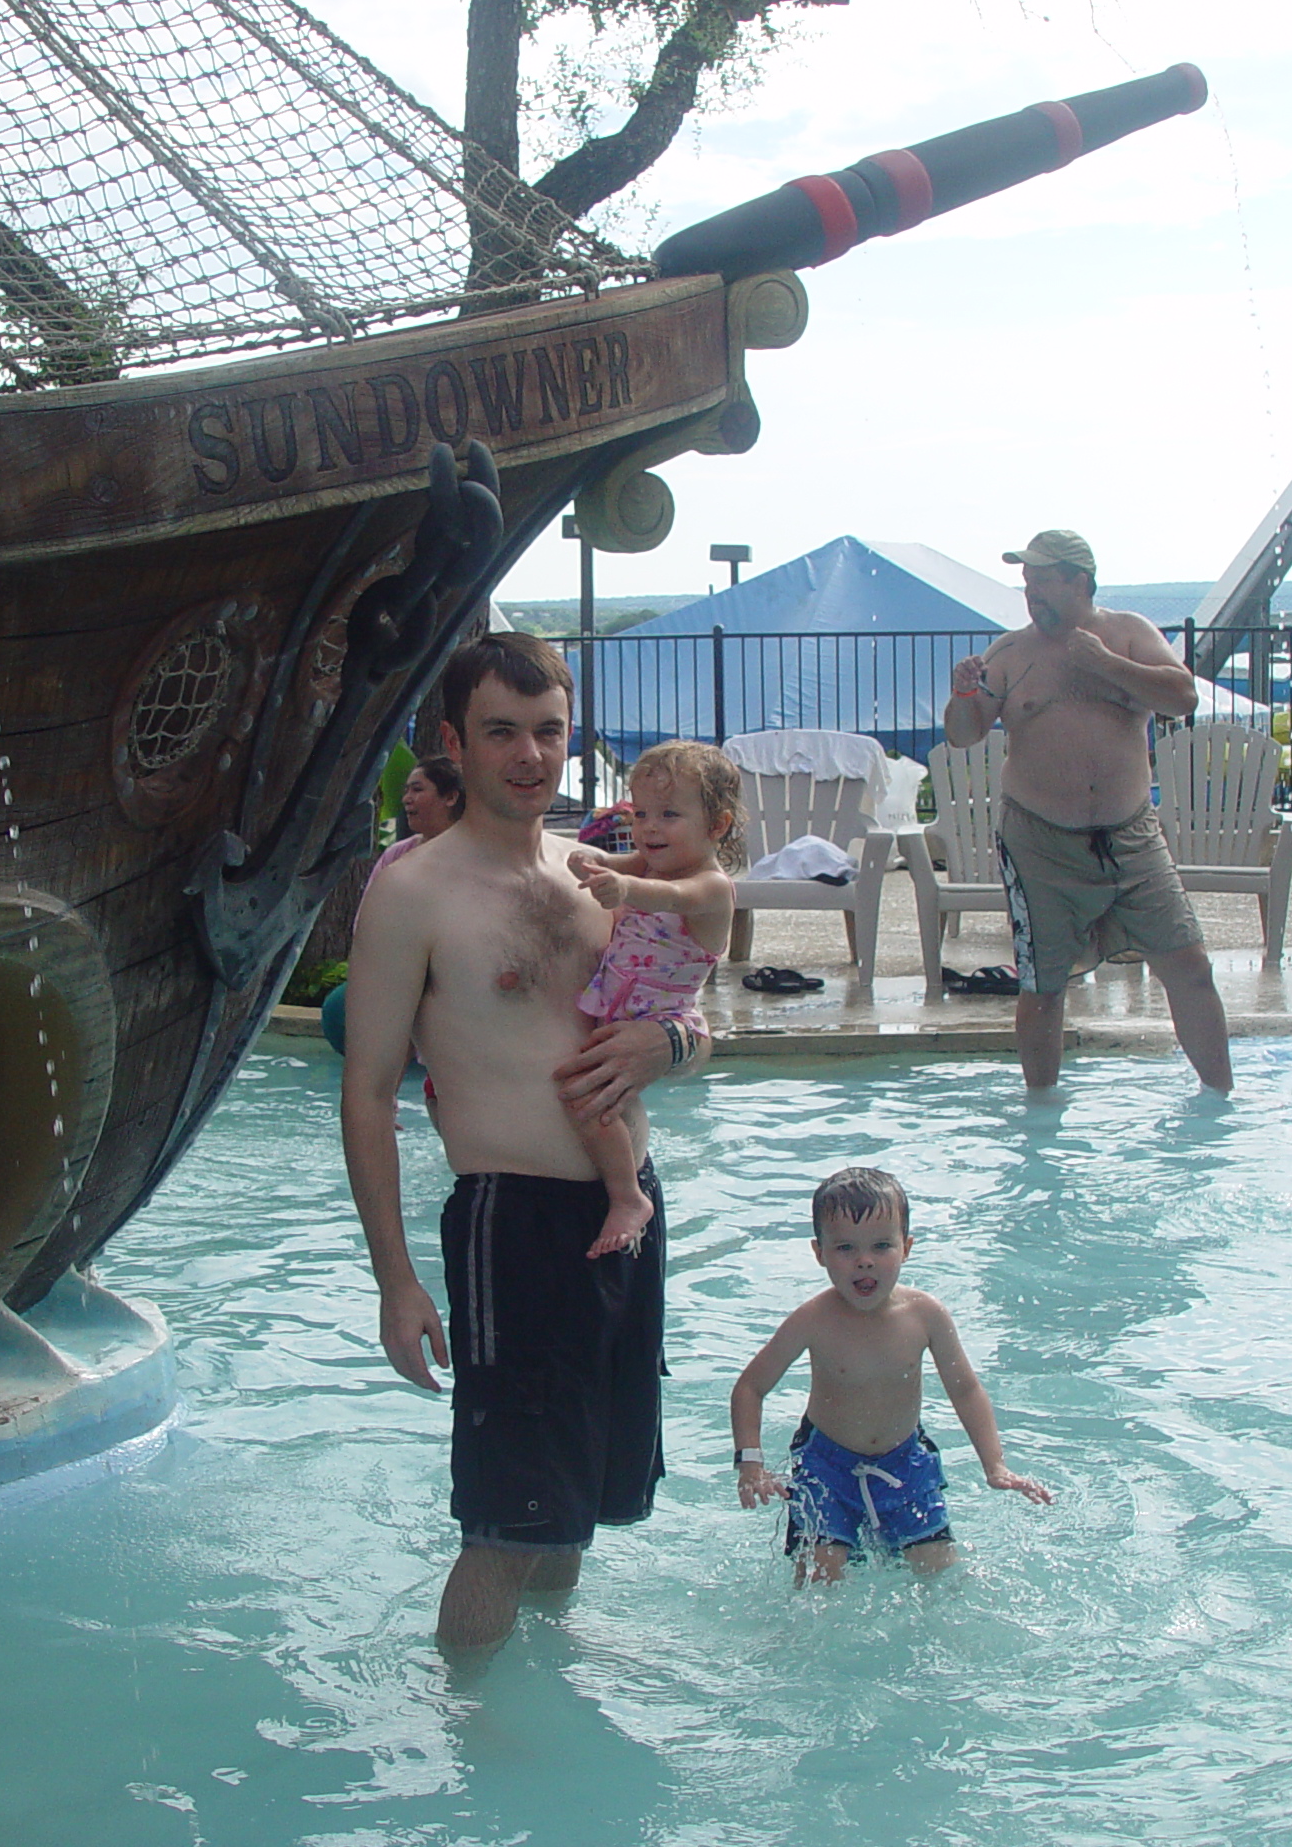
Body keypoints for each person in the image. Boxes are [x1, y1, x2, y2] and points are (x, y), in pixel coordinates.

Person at [340, 632, 703, 1653]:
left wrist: (669, 1044)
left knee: (578, 1505)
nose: (531, 757)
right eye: (503, 733)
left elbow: (691, 1020)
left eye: (549, 732)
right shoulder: (412, 893)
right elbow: (367, 1094)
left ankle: (544, 1723)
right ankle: (473, 1752)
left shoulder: (597, 873)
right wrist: (395, 1282)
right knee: (505, 1527)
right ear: (454, 743)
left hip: (625, 1212)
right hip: (515, 1227)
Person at [946, 528, 1232, 1096]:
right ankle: (1040, 1118)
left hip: (1130, 836)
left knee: (1190, 965)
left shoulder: (1127, 634)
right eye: (1027, 582)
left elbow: (1183, 697)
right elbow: (963, 737)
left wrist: (1105, 665)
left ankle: (1221, 1102)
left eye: (1044, 580)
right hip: (1039, 841)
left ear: (1080, 581)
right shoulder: (1010, 653)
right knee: (1043, 985)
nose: (1032, 593)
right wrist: (964, 696)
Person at [731, 1167, 1052, 1583]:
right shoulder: (813, 1320)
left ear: (907, 1247)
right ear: (819, 1252)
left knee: (940, 1574)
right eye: (846, 1247)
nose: (865, 1260)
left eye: (882, 1245)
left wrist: (995, 1466)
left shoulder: (925, 1316)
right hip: (826, 1466)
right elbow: (750, 1387)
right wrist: (750, 1464)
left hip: (905, 1463)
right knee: (819, 1578)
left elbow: (965, 1389)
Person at [563, 740, 739, 1259]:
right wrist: (587, 861)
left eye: (669, 814)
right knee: (587, 1093)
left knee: (587, 1096)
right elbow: (612, 862)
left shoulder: (709, 886)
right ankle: (622, 1190)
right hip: (622, 1007)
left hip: (663, 1016)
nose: (649, 827)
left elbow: (672, 899)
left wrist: (623, 886)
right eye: (640, 813)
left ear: (717, 826)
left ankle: (627, 1197)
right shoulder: (646, 865)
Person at [367, 756, 463, 890]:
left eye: (417, 790)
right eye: (406, 791)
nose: (406, 799)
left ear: (450, 797)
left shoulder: (479, 856)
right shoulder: (396, 855)